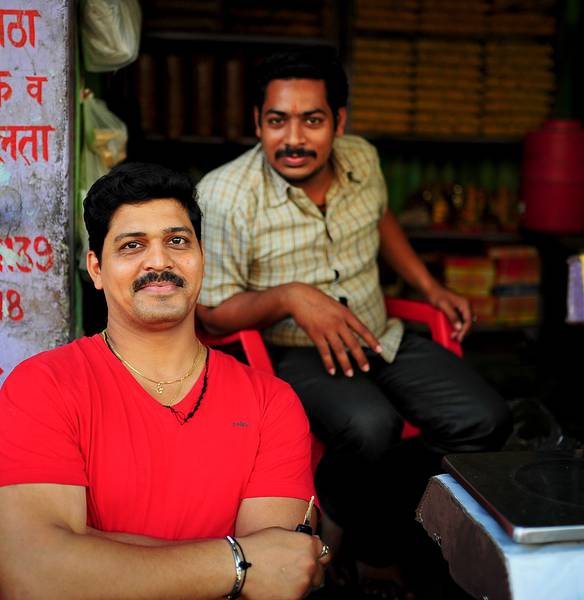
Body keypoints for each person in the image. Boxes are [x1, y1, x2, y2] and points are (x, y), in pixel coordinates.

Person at [195, 49, 512, 596]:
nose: (294, 139)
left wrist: (430, 287)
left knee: (485, 419)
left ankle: (365, 511)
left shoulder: (362, 159)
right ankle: (377, 546)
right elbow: (212, 310)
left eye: (312, 120)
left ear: (339, 122)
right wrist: (292, 297)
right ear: (257, 122)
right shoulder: (224, 194)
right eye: (277, 121)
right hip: (293, 349)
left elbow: (380, 217)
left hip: (378, 331)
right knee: (370, 427)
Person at [0, 162, 331, 600]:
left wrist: (86, 550)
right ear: (96, 269)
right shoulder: (43, 387)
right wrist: (238, 561)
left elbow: (280, 575)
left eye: (177, 241)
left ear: (201, 258)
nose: (159, 261)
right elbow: (33, 577)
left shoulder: (271, 402)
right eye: (132, 245)